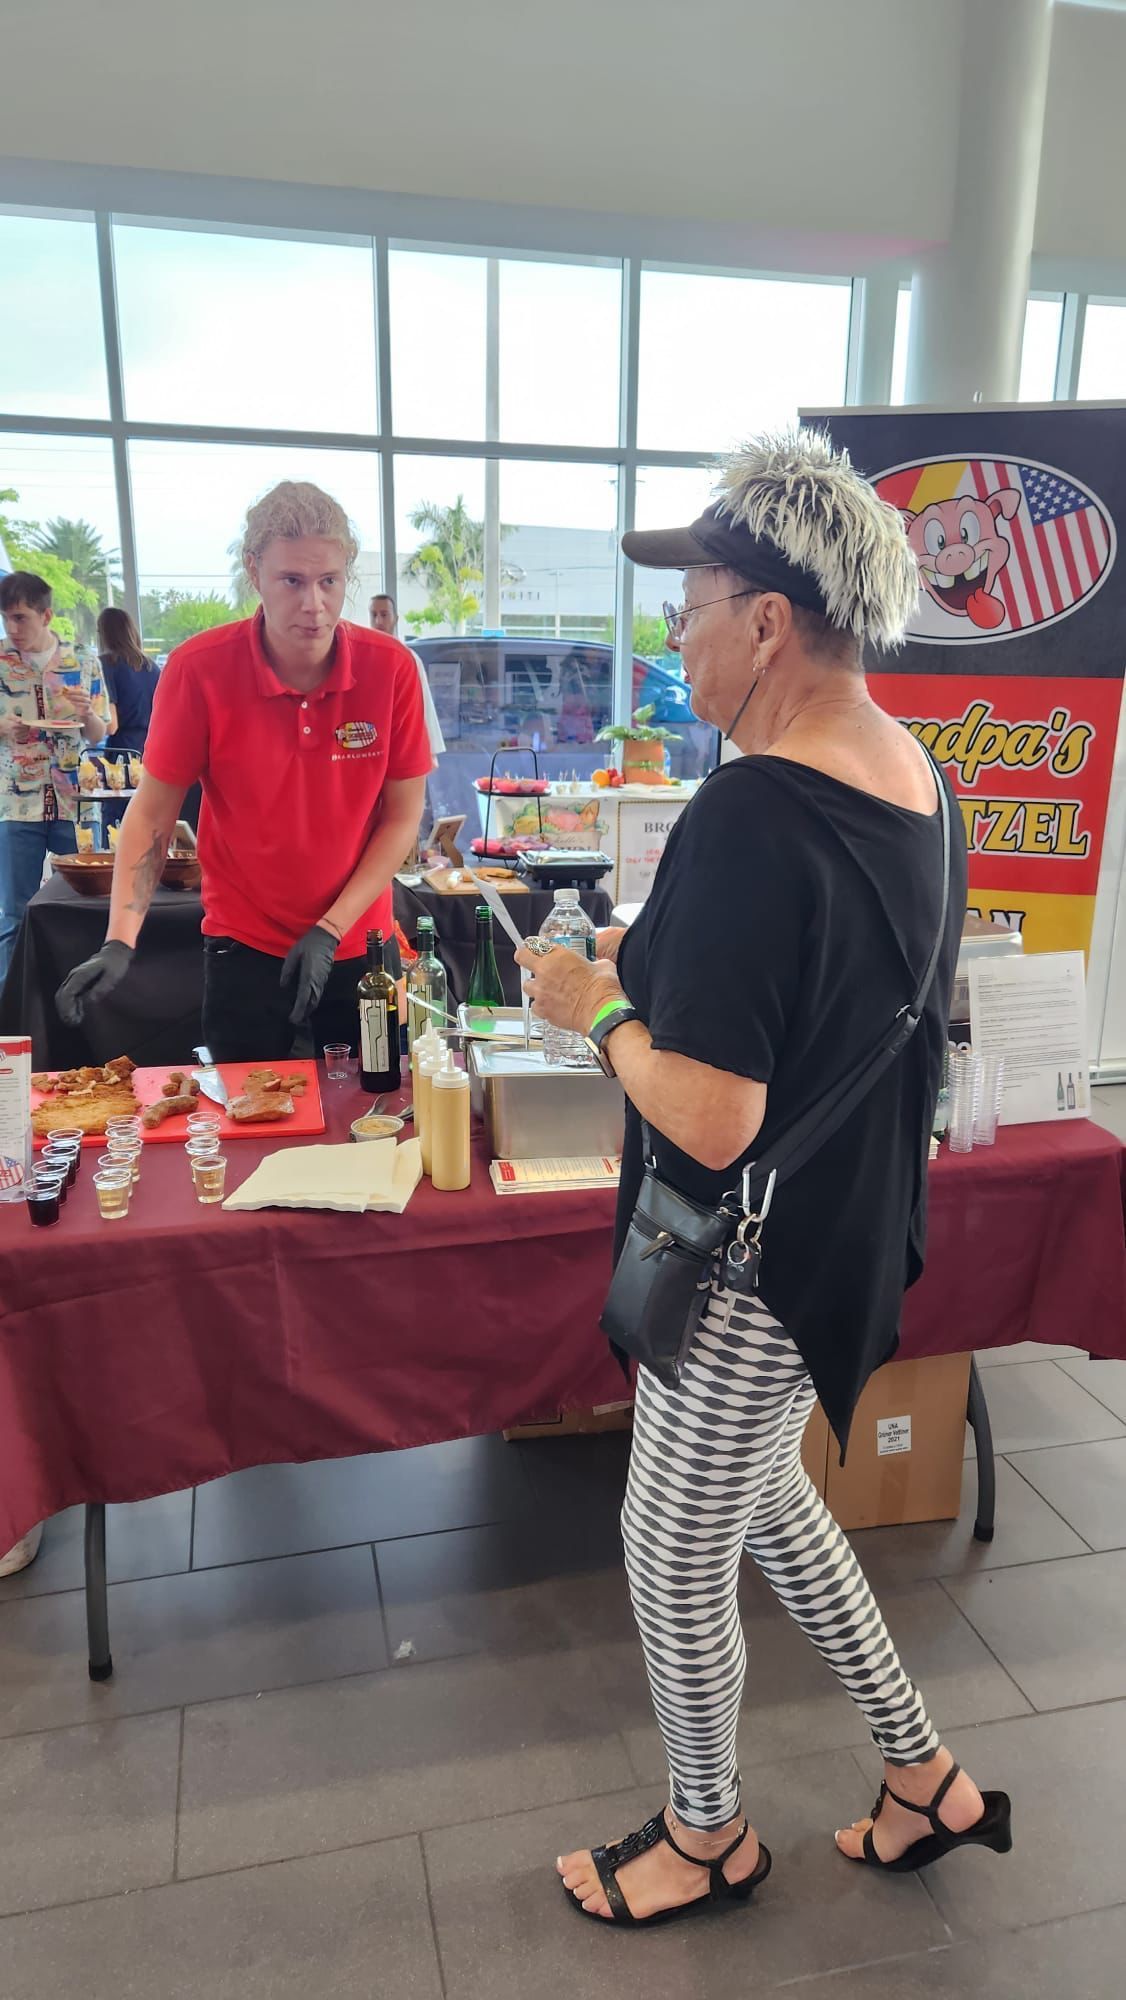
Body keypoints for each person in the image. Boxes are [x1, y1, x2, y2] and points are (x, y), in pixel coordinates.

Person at [516, 431, 1009, 1931]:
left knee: (669, 1555)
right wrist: (649, 971)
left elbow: (717, 1116)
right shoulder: (915, 775)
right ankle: (922, 1775)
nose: (679, 636)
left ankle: (705, 1835)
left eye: (692, 607)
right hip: (841, 1240)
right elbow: (812, 1004)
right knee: (766, 1509)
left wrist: (589, 1011)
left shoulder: (749, 810)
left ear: (768, 621)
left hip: (741, 1256)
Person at [57, 482, 431, 1059]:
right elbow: (153, 814)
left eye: (329, 581)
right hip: (243, 948)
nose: (314, 604)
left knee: (372, 1116)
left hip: (362, 944)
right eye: (293, 581)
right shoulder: (198, 670)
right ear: (254, 570)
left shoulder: (392, 670)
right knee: (247, 1124)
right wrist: (119, 940)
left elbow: (402, 819)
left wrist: (331, 928)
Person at [0, 571, 109, 988]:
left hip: (75, 802)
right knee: (15, 912)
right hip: (15, 803)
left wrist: (85, 714)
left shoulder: (82, 660)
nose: (13, 629)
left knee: (83, 906)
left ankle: (80, 995)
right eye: (7, 619)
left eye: (21, 618)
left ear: (46, 616)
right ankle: (12, 1011)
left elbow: (100, 733)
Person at [370, 593, 446, 765]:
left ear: (395, 619)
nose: (378, 621)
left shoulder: (408, 658)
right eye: (373, 615)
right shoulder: (360, 659)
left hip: (403, 749)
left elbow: (423, 706)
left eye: (384, 615)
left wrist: (431, 752)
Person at [97, 606, 160, 755]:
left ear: (104, 634)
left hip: (121, 752)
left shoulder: (106, 664)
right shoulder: (152, 666)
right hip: (151, 750)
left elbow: (111, 726)